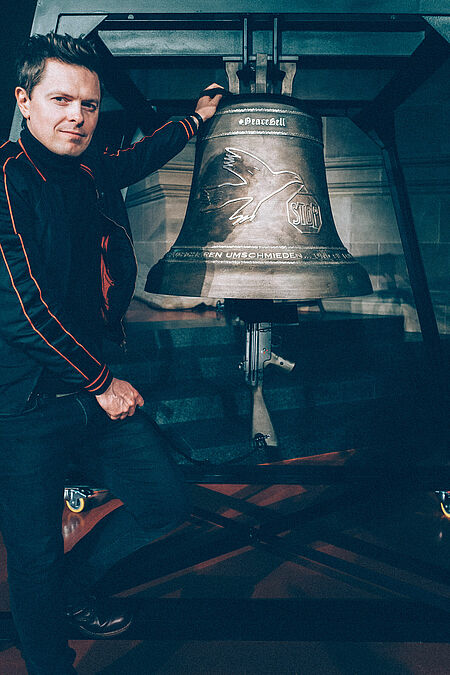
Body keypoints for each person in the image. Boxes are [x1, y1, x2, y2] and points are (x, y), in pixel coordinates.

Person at [0, 32, 223, 674]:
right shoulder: (7, 179)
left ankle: (70, 591)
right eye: (60, 99)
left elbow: (141, 155)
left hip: (84, 388)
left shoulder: (93, 169)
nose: (77, 116)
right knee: (34, 556)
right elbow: (19, 310)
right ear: (25, 100)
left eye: (89, 105)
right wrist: (100, 381)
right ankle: (51, 662)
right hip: (23, 403)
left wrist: (196, 118)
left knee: (164, 501)